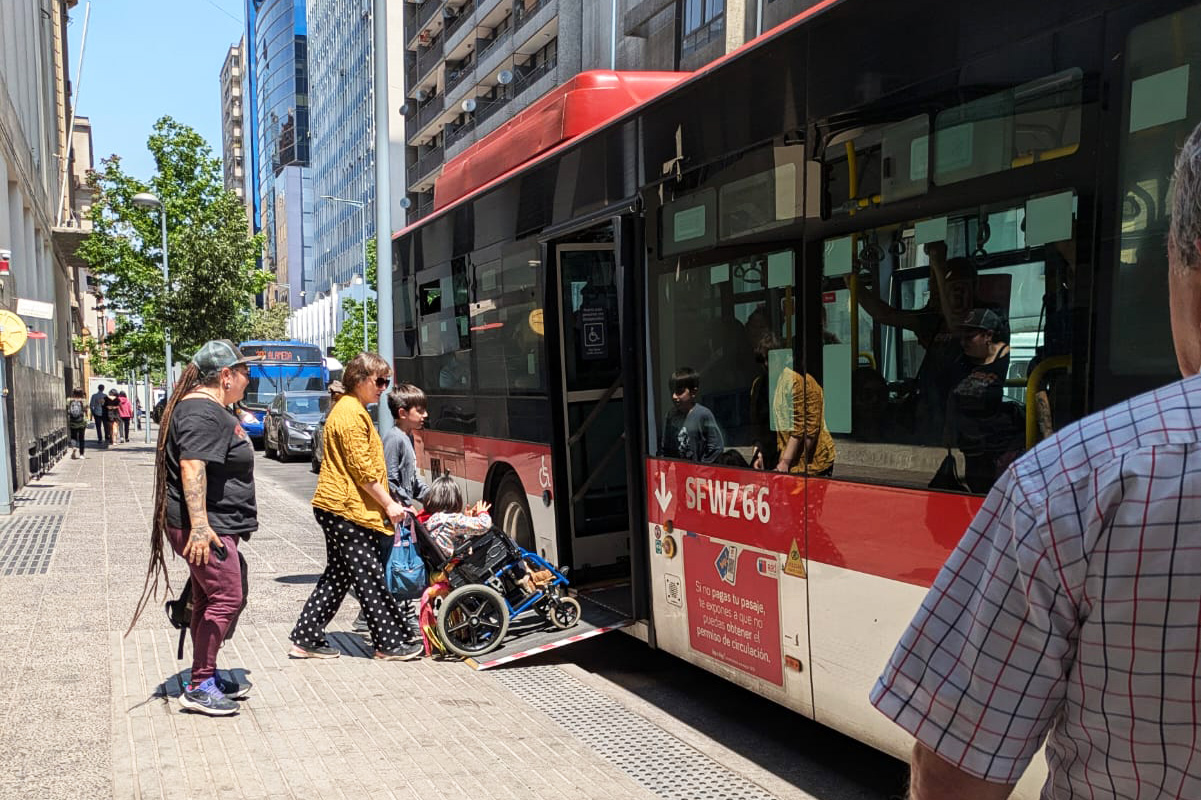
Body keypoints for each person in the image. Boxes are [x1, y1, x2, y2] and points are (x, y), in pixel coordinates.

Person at [870, 120, 1201, 799]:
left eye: (973, 323)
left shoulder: (1064, 487)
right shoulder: (945, 345)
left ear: (1181, 257)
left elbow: (950, 778)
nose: (964, 329)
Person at [127, 339, 259, 717]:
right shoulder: (202, 412)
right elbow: (192, 466)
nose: (248, 380)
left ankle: (206, 675)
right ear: (226, 375)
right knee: (227, 598)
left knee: (207, 599)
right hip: (206, 527)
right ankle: (200, 685)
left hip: (215, 523)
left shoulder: (209, 409)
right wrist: (200, 527)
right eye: (245, 373)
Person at [288, 352, 423, 662]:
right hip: (346, 510)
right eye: (380, 381)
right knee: (370, 576)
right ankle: (388, 644)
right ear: (360, 380)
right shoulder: (350, 414)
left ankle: (306, 638)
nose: (384, 388)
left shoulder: (352, 409)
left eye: (387, 381)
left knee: (339, 575)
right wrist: (389, 504)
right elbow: (362, 470)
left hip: (339, 508)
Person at [351, 382, 430, 635]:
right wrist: (403, 505)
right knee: (396, 563)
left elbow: (412, 478)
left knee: (397, 562)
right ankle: (382, 614)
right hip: (395, 517)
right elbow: (391, 478)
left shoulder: (406, 437)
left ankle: (381, 612)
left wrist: (432, 497)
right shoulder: (394, 439)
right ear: (403, 413)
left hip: (402, 513)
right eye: (420, 410)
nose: (425, 415)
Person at [659, 367, 724, 463]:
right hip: (680, 473)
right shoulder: (671, 416)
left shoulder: (703, 415)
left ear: (693, 392)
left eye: (679, 392)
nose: (674, 396)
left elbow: (716, 448)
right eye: (672, 391)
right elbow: (666, 448)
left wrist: (702, 469)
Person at [422, 475, 492, 560]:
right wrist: (482, 512)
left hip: (447, 562)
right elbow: (484, 525)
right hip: (459, 563)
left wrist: (467, 517)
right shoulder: (452, 520)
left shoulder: (434, 519)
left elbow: (455, 536)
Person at [67, 388, 88, 459]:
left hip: (72, 421)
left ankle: (74, 447)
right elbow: (86, 409)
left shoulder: (69, 400)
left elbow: (67, 409)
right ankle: (81, 454)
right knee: (81, 438)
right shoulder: (84, 401)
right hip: (82, 421)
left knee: (73, 436)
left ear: (73, 393)